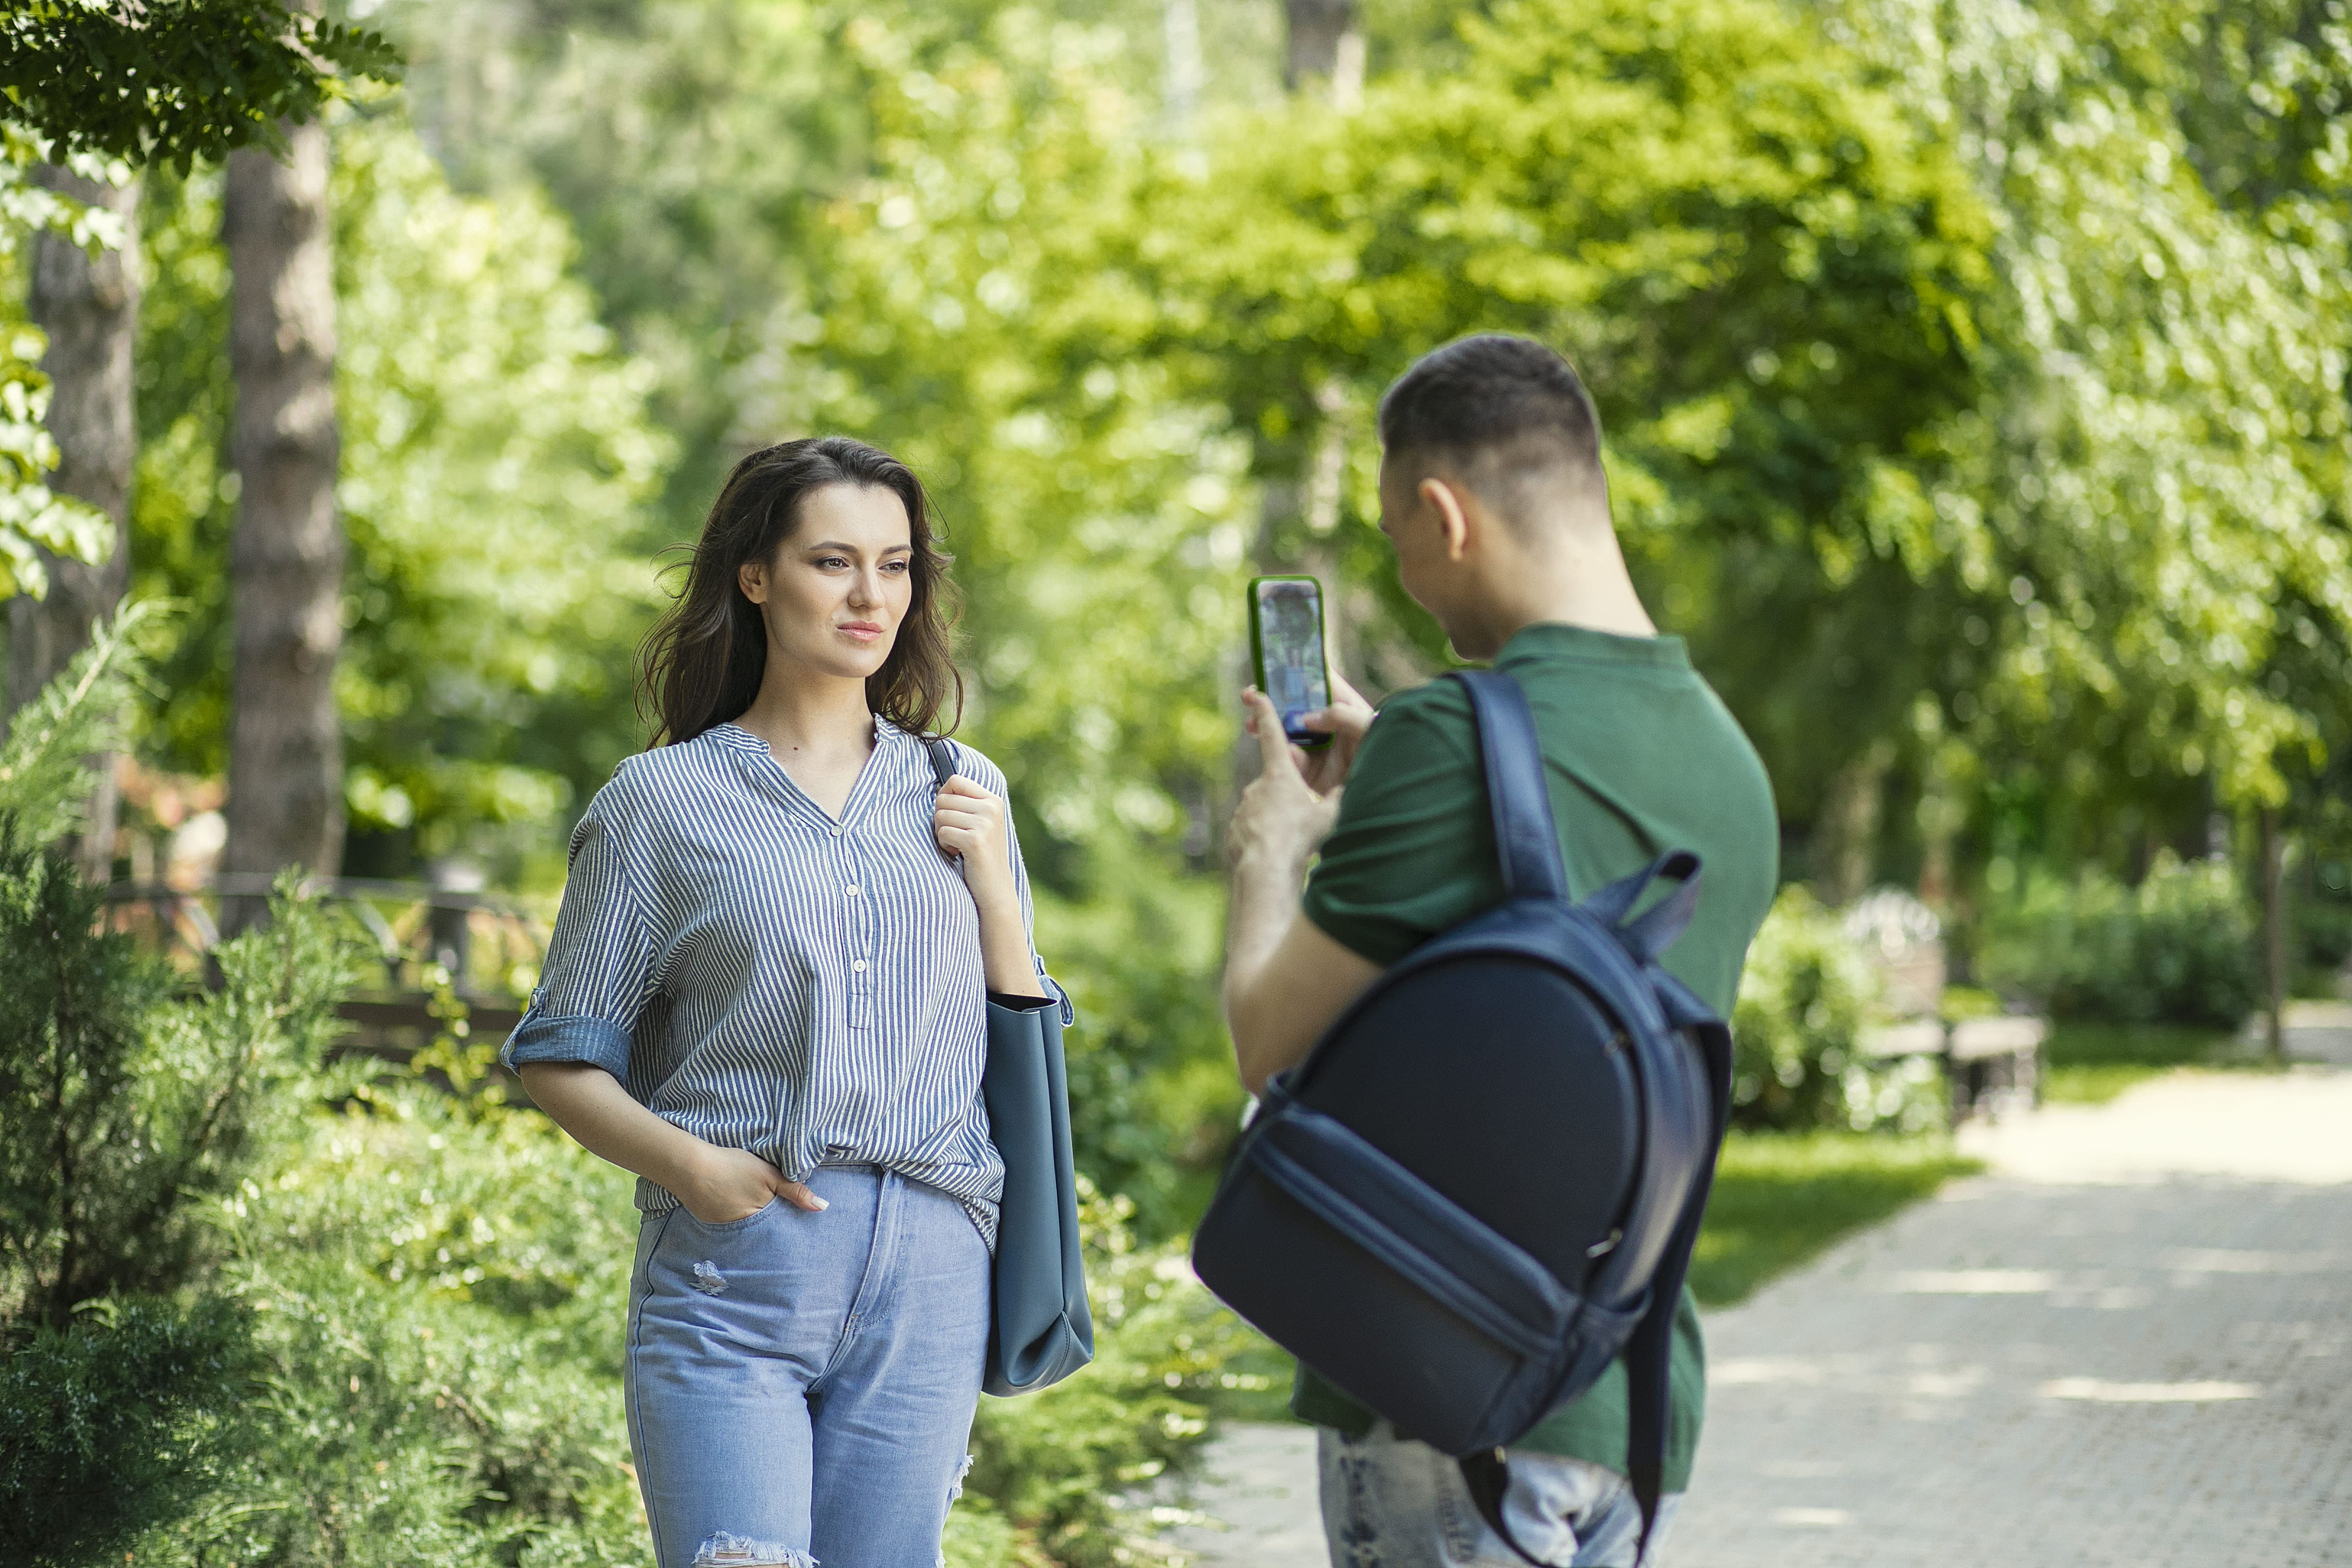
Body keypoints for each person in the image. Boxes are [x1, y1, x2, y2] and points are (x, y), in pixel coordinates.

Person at [1222, 335, 1779, 1568]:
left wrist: (1272, 849)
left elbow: (1269, 1044)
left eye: (1398, 539)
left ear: (1444, 513)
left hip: (1444, 1388)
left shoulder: (1445, 737)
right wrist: (1414, 769)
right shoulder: (1728, 761)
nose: (1410, 578)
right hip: (1632, 1402)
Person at [502, 436, 1056, 1568]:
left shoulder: (964, 786)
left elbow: (1020, 1032)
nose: (870, 597)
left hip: (932, 1267)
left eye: (896, 566)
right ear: (755, 575)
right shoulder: (661, 802)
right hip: (735, 1271)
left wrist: (995, 889)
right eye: (833, 562)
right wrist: (694, 1170)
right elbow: (556, 1057)